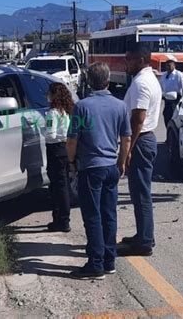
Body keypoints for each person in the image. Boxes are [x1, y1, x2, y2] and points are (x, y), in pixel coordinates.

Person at [67, 62, 131, 280]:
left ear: (89, 81)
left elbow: (72, 139)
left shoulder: (82, 107)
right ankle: (109, 260)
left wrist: (72, 162)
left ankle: (95, 264)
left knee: (92, 217)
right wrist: (122, 162)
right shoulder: (120, 106)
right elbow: (126, 138)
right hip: (111, 166)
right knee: (109, 215)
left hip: (91, 168)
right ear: (108, 80)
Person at [118, 42, 162, 257]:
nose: (126, 62)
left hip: (141, 140)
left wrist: (127, 149)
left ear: (141, 60)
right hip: (144, 139)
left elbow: (138, 119)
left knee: (141, 193)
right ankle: (143, 234)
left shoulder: (141, 83)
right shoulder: (146, 79)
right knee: (138, 193)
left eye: (129, 58)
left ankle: (144, 242)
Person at [45, 82, 74, 233]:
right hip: (65, 148)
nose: (47, 96)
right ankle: (62, 218)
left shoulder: (52, 113)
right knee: (64, 186)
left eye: (49, 93)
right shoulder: (67, 111)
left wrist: (40, 130)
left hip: (55, 149)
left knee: (58, 187)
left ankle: (61, 220)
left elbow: (50, 135)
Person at [159, 59, 183, 128]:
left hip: (176, 99)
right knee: (166, 115)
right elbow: (160, 86)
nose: (168, 67)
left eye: (170, 65)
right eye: (167, 66)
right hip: (167, 99)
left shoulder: (178, 75)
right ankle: (168, 133)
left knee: (175, 117)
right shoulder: (164, 75)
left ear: (174, 66)